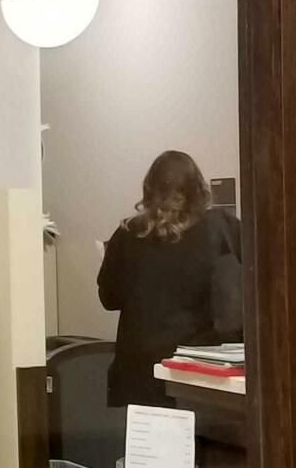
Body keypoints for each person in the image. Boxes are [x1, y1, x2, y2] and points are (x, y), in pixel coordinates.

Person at [97, 150, 242, 408]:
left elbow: (108, 298)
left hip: (140, 374)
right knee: (205, 445)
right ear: (199, 189)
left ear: (149, 189)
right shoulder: (222, 228)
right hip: (200, 373)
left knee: (150, 448)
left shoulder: (128, 234)